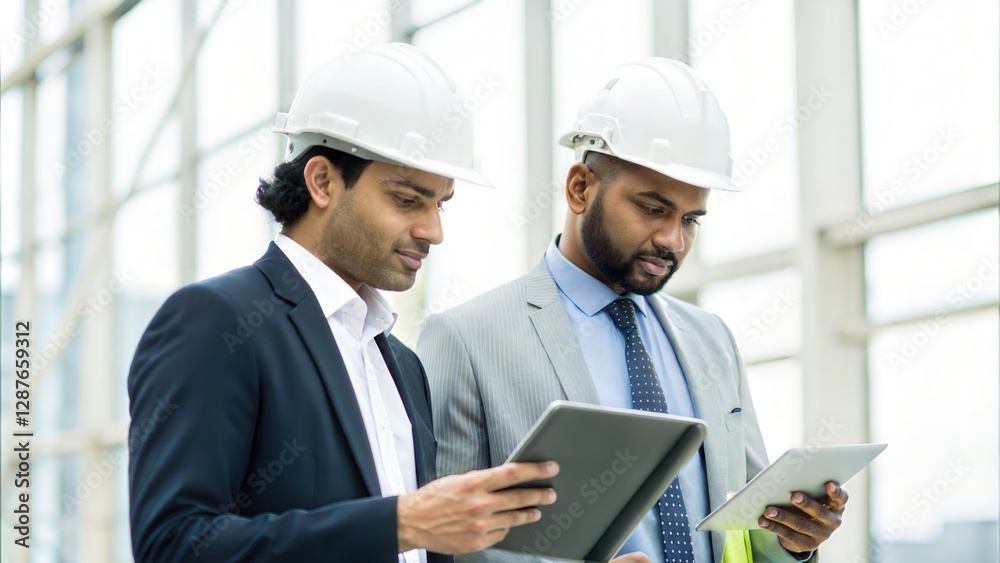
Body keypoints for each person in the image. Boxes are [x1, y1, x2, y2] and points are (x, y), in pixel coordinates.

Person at [127, 43, 560, 563]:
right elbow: (174, 545)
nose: (434, 231)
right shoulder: (217, 321)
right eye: (407, 199)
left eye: (440, 204)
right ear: (322, 181)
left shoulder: (403, 364)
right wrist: (400, 521)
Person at [416, 58, 848, 563]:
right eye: (652, 208)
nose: (673, 240)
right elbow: (438, 546)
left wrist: (793, 539)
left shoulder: (712, 339)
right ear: (580, 188)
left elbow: (745, 526)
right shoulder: (466, 338)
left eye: (690, 219)